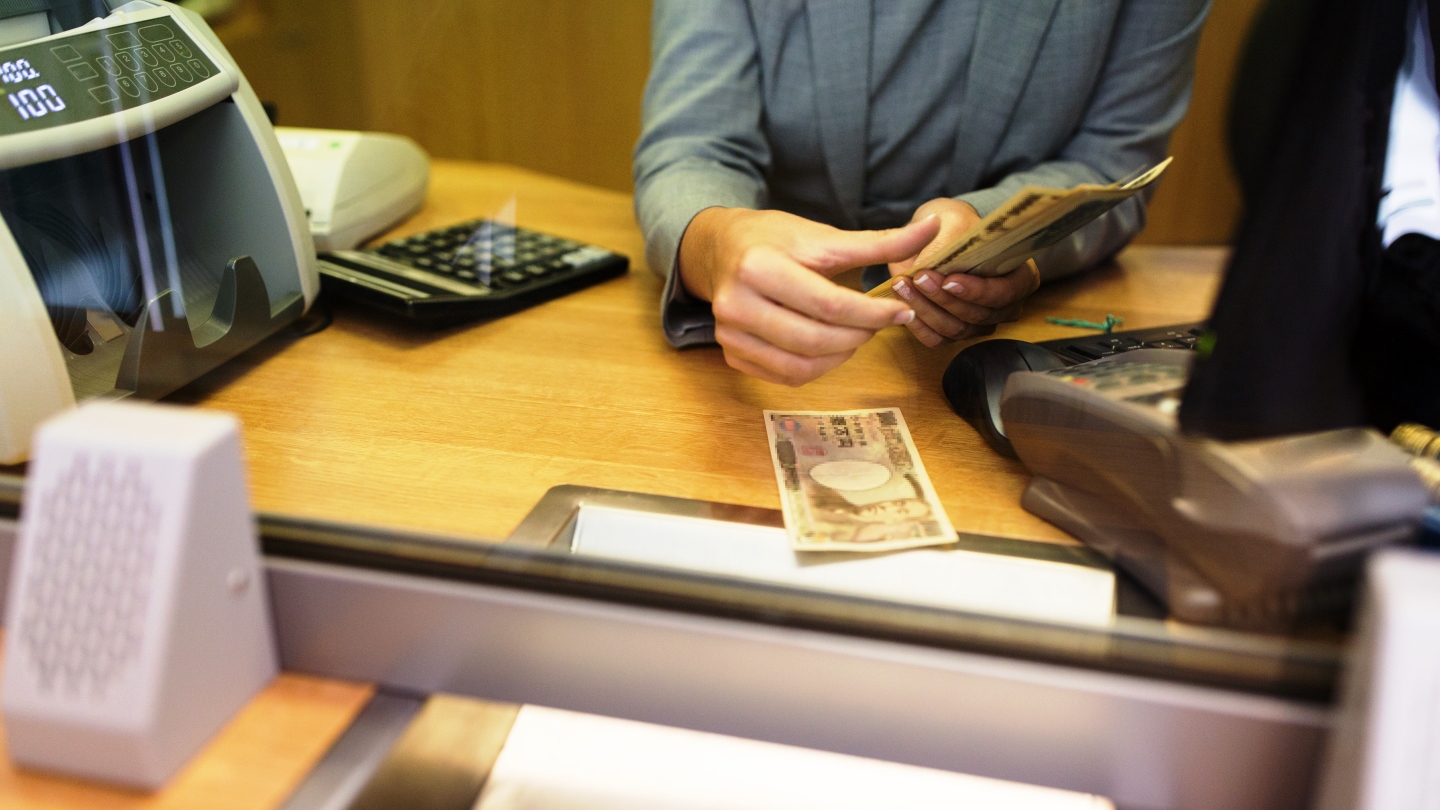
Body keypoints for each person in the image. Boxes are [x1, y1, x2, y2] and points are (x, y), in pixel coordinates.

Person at [634, 0, 1209, 386]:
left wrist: (996, 236)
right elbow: (692, 148)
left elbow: (1116, 165)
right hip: (763, 346)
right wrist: (719, 245)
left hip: (993, 353)